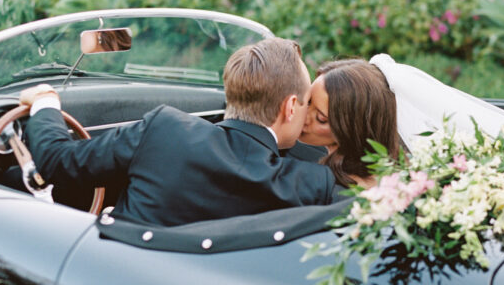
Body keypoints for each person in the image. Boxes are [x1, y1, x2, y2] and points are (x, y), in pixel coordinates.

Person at [20, 37, 341, 228]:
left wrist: (46, 102)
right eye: (307, 104)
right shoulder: (312, 184)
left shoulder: (164, 131)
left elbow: (56, 161)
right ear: (289, 107)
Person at [298, 58, 400, 187]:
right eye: (307, 102)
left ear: (351, 130)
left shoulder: (335, 187)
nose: (303, 117)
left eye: (321, 119)